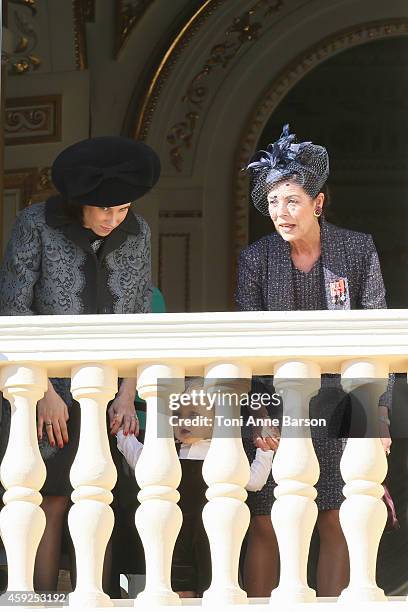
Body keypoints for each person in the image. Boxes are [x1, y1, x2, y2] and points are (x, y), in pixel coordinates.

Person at [236, 124, 393, 597]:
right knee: (266, 517)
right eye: (271, 203)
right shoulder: (256, 258)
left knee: (335, 516)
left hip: (340, 402)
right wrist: (260, 411)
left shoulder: (357, 249)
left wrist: (378, 413)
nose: (280, 213)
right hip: (275, 402)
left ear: (318, 203)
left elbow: (377, 334)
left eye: (292, 201)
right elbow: (247, 343)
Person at [0, 136, 160, 592]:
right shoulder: (36, 223)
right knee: (46, 497)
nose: (114, 218)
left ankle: (96, 597)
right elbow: (12, 308)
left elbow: (138, 318)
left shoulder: (138, 232)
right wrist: (43, 393)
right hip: (40, 388)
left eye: (123, 208)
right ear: (80, 202)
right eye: (105, 210)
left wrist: (128, 393)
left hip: (107, 387)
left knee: (99, 494)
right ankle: (37, 599)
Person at [116, 377, 275, 598]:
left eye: (193, 415)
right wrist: (122, 430)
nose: (183, 421)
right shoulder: (166, 455)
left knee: (215, 589)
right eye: (177, 415)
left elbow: (255, 481)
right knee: (179, 591)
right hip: (176, 542)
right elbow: (136, 454)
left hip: (212, 541)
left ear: (216, 419)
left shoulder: (224, 455)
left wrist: (265, 451)